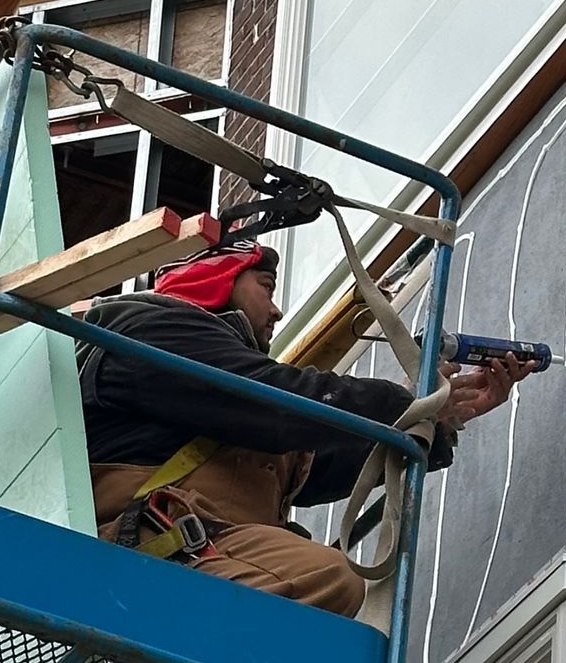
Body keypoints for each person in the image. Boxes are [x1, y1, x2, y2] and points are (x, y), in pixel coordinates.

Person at [78, 243, 532, 618]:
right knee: (325, 576)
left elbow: (331, 466)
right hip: (148, 556)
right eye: (266, 287)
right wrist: (400, 403)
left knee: (330, 591)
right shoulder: (149, 330)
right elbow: (272, 402)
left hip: (201, 557)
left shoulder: (237, 410)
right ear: (215, 276)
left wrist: (432, 421)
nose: (276, 311)